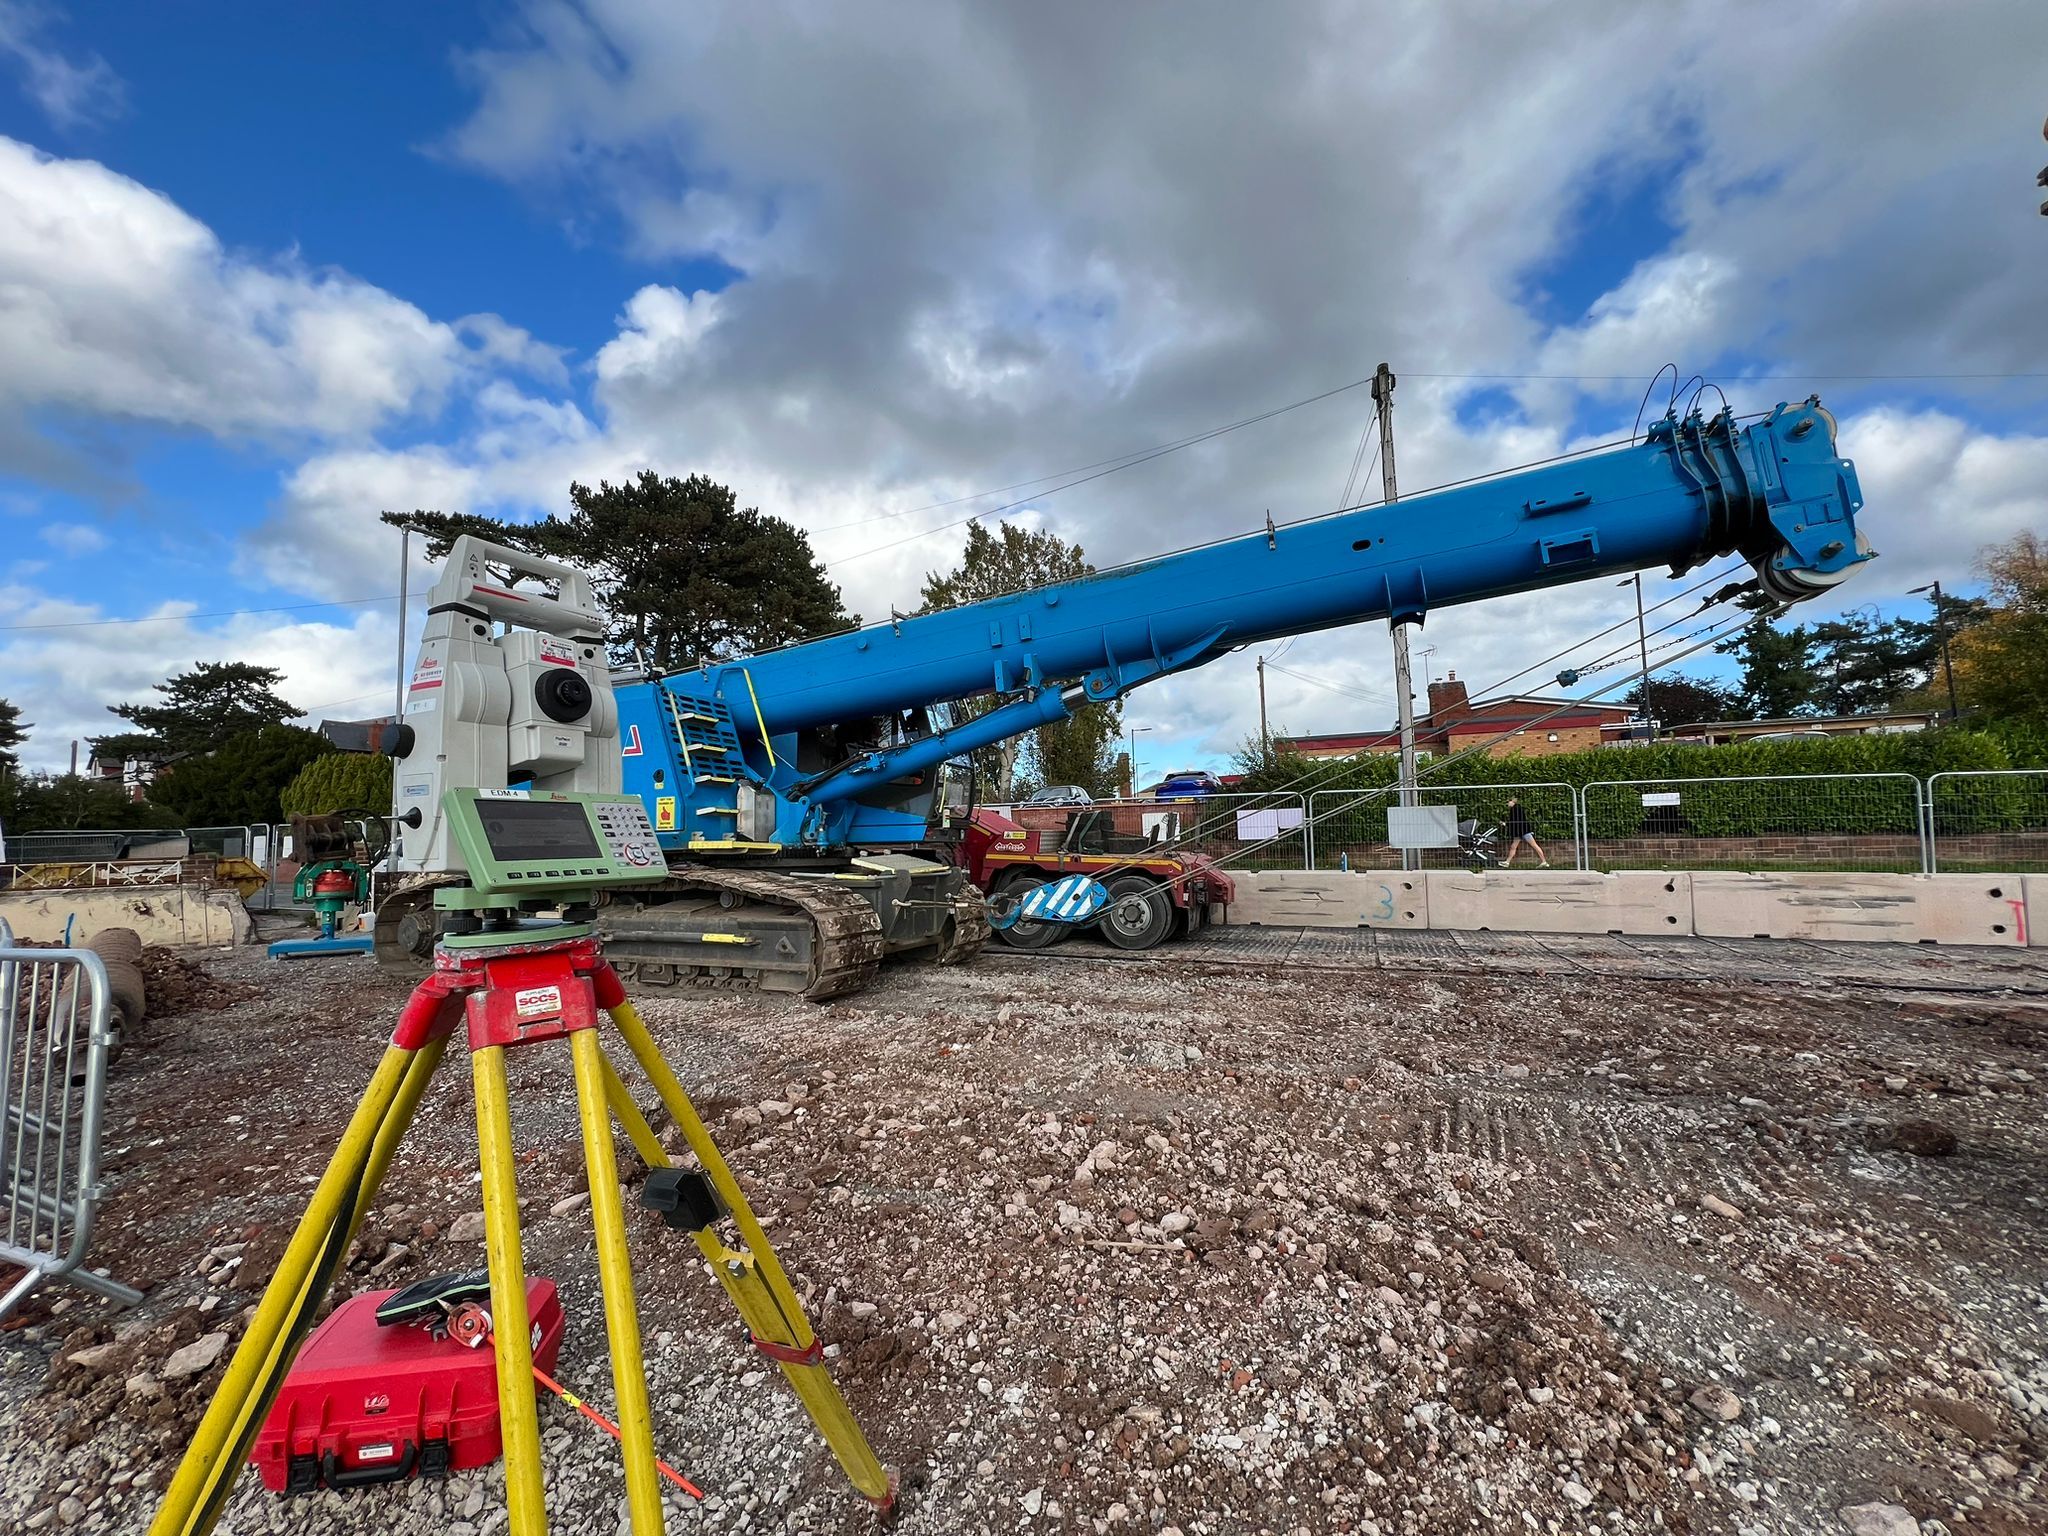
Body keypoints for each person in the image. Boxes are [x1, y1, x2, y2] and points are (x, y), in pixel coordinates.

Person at [1500, 795, 1550, 868]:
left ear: (1512, 801)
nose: (1507, 804)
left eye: (1508, 802)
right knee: (1514, 846)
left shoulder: (1515, 810)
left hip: (1522, 831)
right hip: (1520, 831)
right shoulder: (1517, 809)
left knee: (1533, 845)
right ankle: (1507, 862)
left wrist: (1505, 824)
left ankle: (1544, 861)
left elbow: (1514, 821)